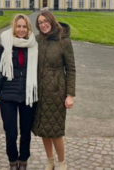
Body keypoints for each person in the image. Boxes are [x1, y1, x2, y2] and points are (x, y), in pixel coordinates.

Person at [0, 14, 38, 170]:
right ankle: (13, 161)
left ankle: (24, 161)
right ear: (14, 28)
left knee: (26, 133)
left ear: (28, 28)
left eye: (24, 26)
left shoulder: (34, 45)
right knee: (11, 133)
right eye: (18, 26)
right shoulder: (5, 45)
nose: (21, 29)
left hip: (28, 96)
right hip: (8, 95)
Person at [32, 11, 76, 170]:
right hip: (40, 92)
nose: (43, 24)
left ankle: (62, 162)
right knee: (44, 129)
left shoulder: (64, 41)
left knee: (56, 130)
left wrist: (70, 95)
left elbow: (71, 69)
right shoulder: (38, 40)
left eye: (45, 21)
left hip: (56, 91)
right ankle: (50, 160)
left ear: (52, 21)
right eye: (40, 22)